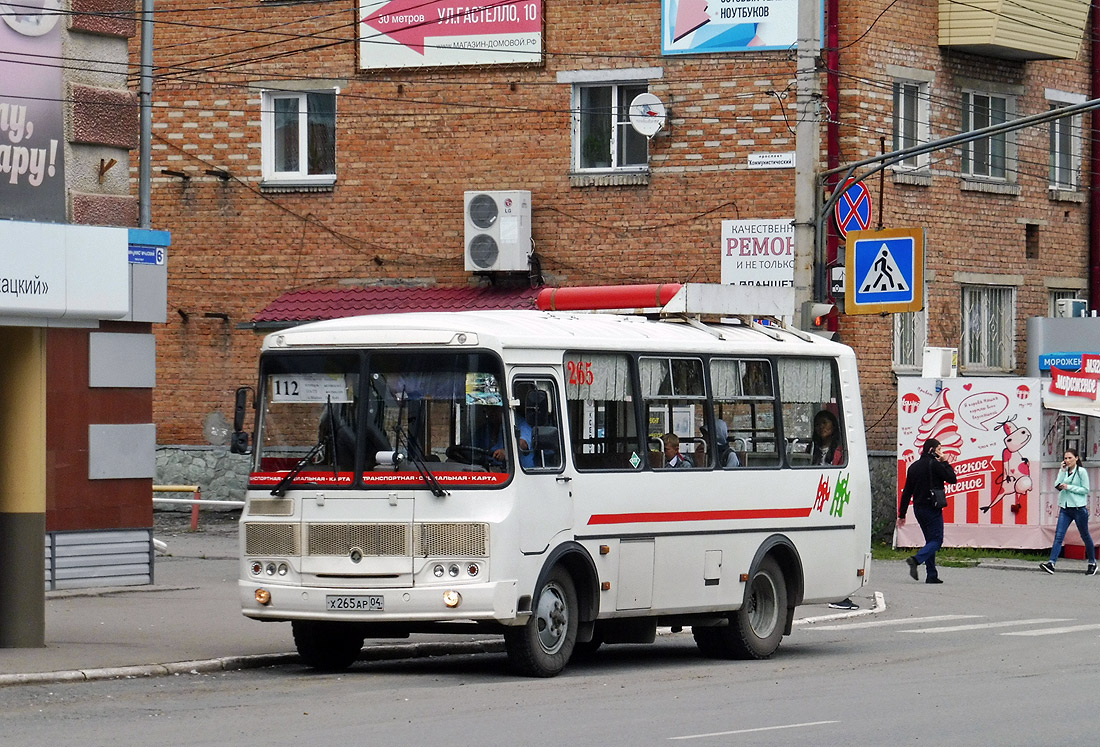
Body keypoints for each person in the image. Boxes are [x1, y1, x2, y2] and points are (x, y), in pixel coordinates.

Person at [899, 438, 957, 584]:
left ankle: (932, 574)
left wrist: (902, 514)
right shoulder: (935, 465)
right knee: (937, 540)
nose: (941, 452)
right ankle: (916, 559)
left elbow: (907, 492)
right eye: (939, 449)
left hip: (918, 509)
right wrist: (944, 461)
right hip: (932, 507)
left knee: (930, 540)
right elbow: (952, 479)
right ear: (932, 450)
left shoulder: (913, 467)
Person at [1039, 448, 1096, 576]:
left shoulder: (1081, 472)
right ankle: (1051, 563)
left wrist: (1069, 487)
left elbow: (1085, 489)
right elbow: (1057, 484)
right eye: (1065, 458)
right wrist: (1062, 471)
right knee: (1059, 535)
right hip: (1065, 508)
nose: (1067, 460)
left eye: (1070, 458)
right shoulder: (1064, 471)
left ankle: (1092, 562)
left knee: (1085, 535)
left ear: (1076, 458)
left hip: (1078, 508)